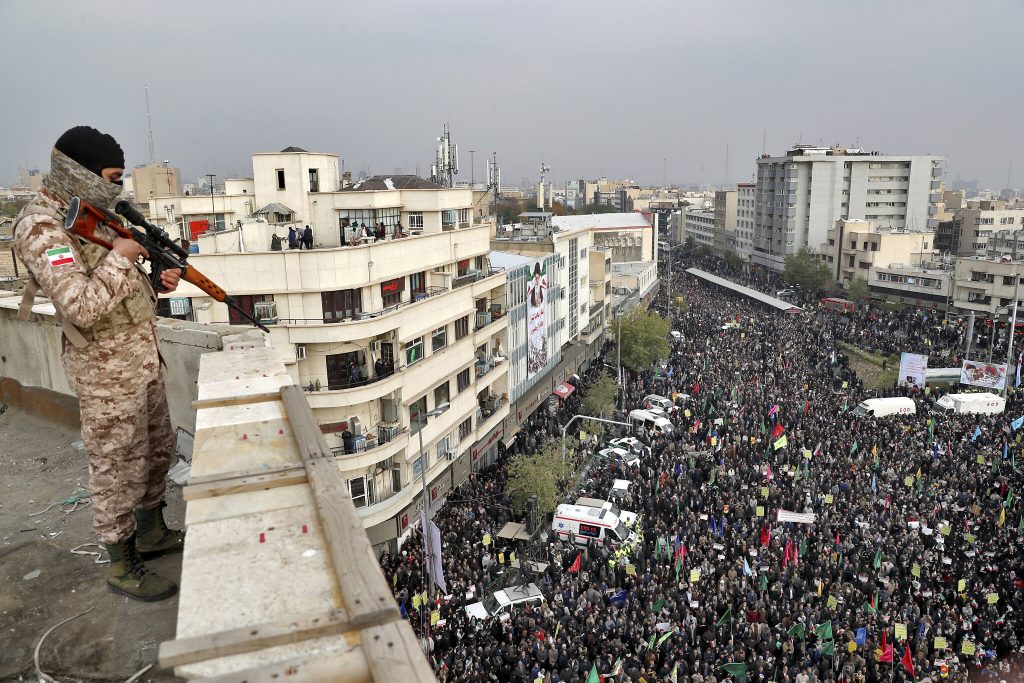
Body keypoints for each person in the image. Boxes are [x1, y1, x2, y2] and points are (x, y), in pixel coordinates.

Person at [12, 126, 184, 602]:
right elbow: (81, 307)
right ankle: (121, 564)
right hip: (104, 371)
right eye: (110, 177)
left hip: (142, 357)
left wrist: (157, 279)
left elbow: (122, 283)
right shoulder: (42, 226)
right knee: (116, 468)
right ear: (79, 171)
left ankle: (151, 535)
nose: (116, 188)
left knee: (155, 451)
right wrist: (122, 259)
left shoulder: (95, 214)